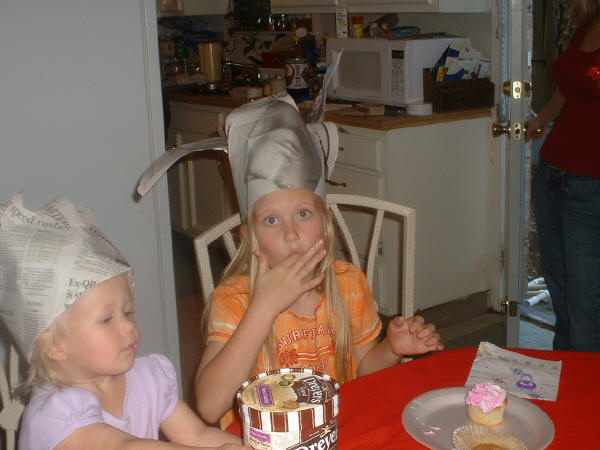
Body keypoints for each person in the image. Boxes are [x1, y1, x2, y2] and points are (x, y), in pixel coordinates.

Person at [134, 93, 444, 428]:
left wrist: (392, 349)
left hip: (332, 431)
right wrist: (263, 307)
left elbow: (363, 369)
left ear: (325, 223)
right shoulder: (235, 299)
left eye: (303, 214)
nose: (291, 233)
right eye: (271, 220)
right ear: (249, 237)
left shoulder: (349, 283)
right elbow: (209, 407)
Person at [0, 194, 246, 450]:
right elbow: (124, 445)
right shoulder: (54, 415)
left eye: (128, 312)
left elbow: (196, 436)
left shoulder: (149, 378)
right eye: (107, 319)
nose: (129, 325)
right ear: (54, 346)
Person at [525, 0, 600, 351]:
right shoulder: (586, 27)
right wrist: (540, 121)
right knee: (560, 289)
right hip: (551, 173)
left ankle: (588, 381)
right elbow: (566, 89)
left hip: (590, 184)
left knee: (585, 303)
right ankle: (567, 373)